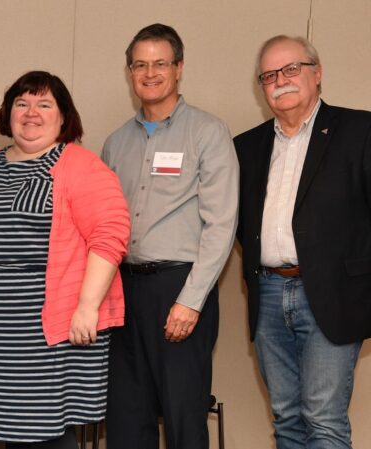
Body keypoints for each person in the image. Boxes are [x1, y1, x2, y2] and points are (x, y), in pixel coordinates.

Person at [0, 70, 129, 449]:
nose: (31, 112)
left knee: (43, 433)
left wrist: (87, 306)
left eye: (44, 104)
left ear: (63, 116)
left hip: (46, 332)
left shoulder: (80, 165)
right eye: (22, 103)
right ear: (8, 112)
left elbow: (110, 235)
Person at [101, 23, 238, 449]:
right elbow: (105, 226)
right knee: (126, 419)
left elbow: (221, 223)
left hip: (178, 290)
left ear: (178, 68)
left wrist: (191, 299)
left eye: (160, 63)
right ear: (129, 72)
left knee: (182, 419)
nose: (150, 72)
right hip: (123, 291)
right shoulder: (115, 143)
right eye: (140, 64)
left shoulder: (207, 132)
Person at [234, 35, 371, 449]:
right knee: (287, 418)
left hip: (332, 295)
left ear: (317, 73)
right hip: (269, 295)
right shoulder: (245, 146)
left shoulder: (360, 130)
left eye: (292, 69)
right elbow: (239, 223)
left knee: (323, 417)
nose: (281, 81)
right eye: (270, 75)